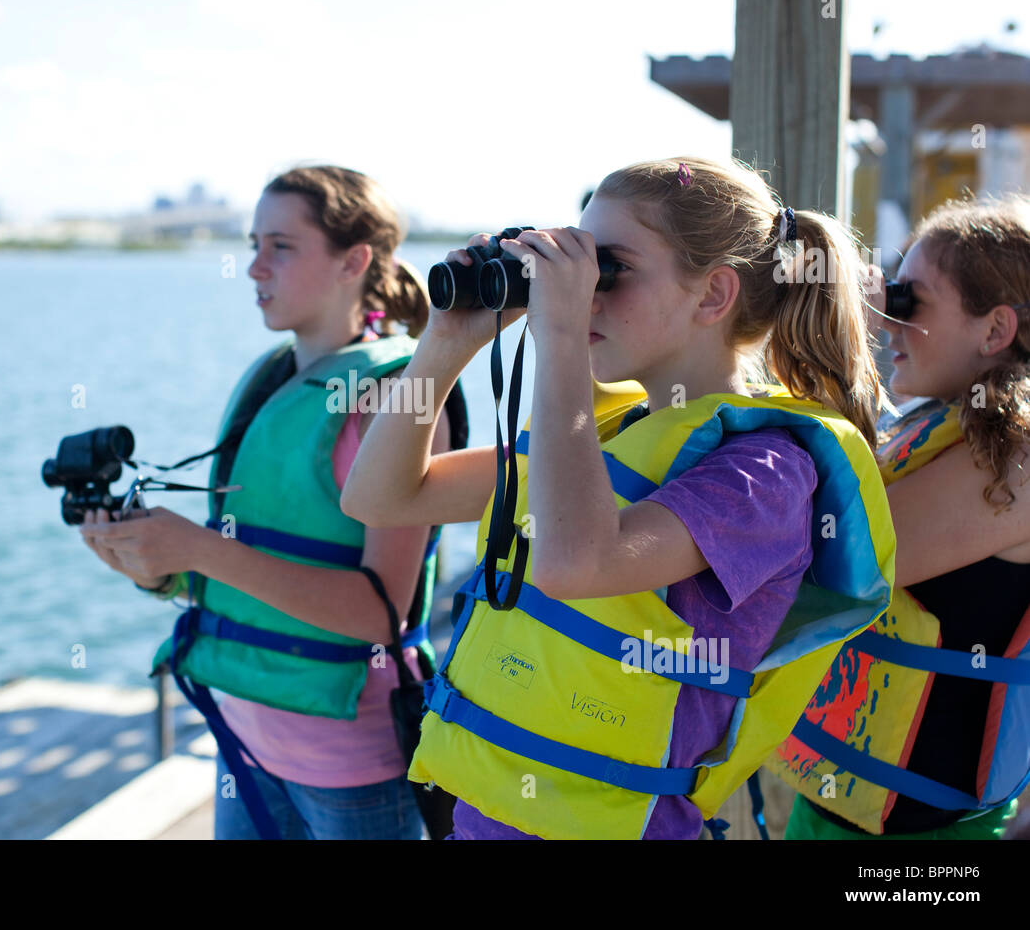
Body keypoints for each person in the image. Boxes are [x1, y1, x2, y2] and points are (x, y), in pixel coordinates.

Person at [342, 156, 896, 839]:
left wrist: (565, 340)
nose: (585, 293)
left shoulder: (764, 475)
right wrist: (447, 340)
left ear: (713, 295)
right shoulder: (609, 432)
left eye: (609, 270)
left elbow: (576, 565)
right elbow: (381, 497)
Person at [80, 164, 467, 839]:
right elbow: (243, 567)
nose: (254, 267)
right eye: (254, 243)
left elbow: (380, 613)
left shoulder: (393, 399)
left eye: (280, 247)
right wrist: (155, 566)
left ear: (354, 261)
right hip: (246, 742)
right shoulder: (274, 379)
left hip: (354, 770)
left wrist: (200, 547)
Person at [776, 196, 1030, 839]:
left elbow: (844, 557)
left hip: (930, 838)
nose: (888, 323)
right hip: (840, 803)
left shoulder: (1017, 460)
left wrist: (841, 337)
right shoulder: (929, 425)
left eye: (910, 301)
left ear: (995, 331)